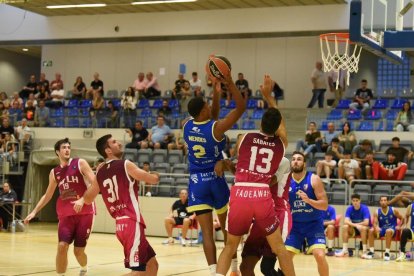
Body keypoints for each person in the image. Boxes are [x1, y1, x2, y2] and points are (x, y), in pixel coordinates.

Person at [216, 74, 295, 276]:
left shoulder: (244, 138)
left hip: (241, 191)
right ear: (277, 128)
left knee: (230, 246)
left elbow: (237, 160)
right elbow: (282, 129)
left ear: (261, 122)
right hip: (261, 195)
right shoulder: (280, 144)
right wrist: (269, 97)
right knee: (279, 248)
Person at [183, 69, 246, 276]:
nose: (210, 107)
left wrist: (216, 93)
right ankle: (234, 269)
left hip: (197, 183)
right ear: (202, 112)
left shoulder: (187, 126)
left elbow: (211, 120)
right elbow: (240, 108)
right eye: (207, 106)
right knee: (229, 230)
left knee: (207, 234)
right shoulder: (216, 128)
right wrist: (228, 82)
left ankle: (212, 273)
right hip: (215, 180)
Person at [24, 138, 98, 276]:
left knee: (78, 252)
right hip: (66, 216)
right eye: (64, 147)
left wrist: (83, 200)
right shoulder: (54, 172)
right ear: (57, 152)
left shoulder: (80, 163)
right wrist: (34, 212)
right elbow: (47, 195)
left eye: (68, 147)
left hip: (85, 213)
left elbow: (95, 183)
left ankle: (84, 268)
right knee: (62, 246)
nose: (67, 149)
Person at [95, 134, 159, 275]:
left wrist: (81, 199)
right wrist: (156, 174)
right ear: (108, 150)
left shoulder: (100, 171)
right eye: (114, 142)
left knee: (152, 265)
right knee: (138, 272)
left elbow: (88, 197)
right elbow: (152, 179)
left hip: (121, 225)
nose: (119, 143)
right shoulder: (125, 164)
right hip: (131, 223)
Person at [238, 157, 293, 276]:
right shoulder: (255, 159)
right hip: (259, 214)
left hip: (278, 212)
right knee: (245, 267)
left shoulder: (283, 160)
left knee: (267, 267)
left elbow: (269, 182)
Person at [283, 151, 329, 276]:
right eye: (293, 159)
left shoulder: (314, 179)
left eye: (299, 159)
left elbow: (324, 205)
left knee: (319, 256)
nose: (296, 161)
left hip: (313, 224)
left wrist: (308, 200)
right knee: (285, 257)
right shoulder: (285, 180)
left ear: (304, 164)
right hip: (294, 226)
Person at [365, 196, 403, 261]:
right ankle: (371, 252)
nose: (383, 202)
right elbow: (375, 223)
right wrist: (375, 227)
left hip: (392, 229)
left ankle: (387, 252)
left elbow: (402, 218)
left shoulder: (393, 210)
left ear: (387, 202)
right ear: (380, 202)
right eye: (382, 200)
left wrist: (400, 226)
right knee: (371, 230)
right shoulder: (377, 212)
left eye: (385, 200)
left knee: (388, 231)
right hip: (382, 229)